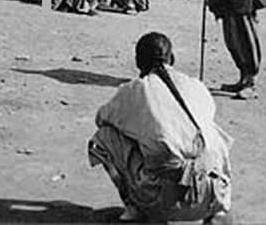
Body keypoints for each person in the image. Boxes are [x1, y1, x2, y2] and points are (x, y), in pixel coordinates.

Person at [88, 32, 232, 223]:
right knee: (208, 136)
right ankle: (217, 213)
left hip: (170, 198)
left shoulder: (136, 89)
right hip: (216, 192)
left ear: (138, 63)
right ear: (172, 58)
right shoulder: (196, 85)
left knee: (104, 138)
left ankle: (135, 209)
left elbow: (102, 118)